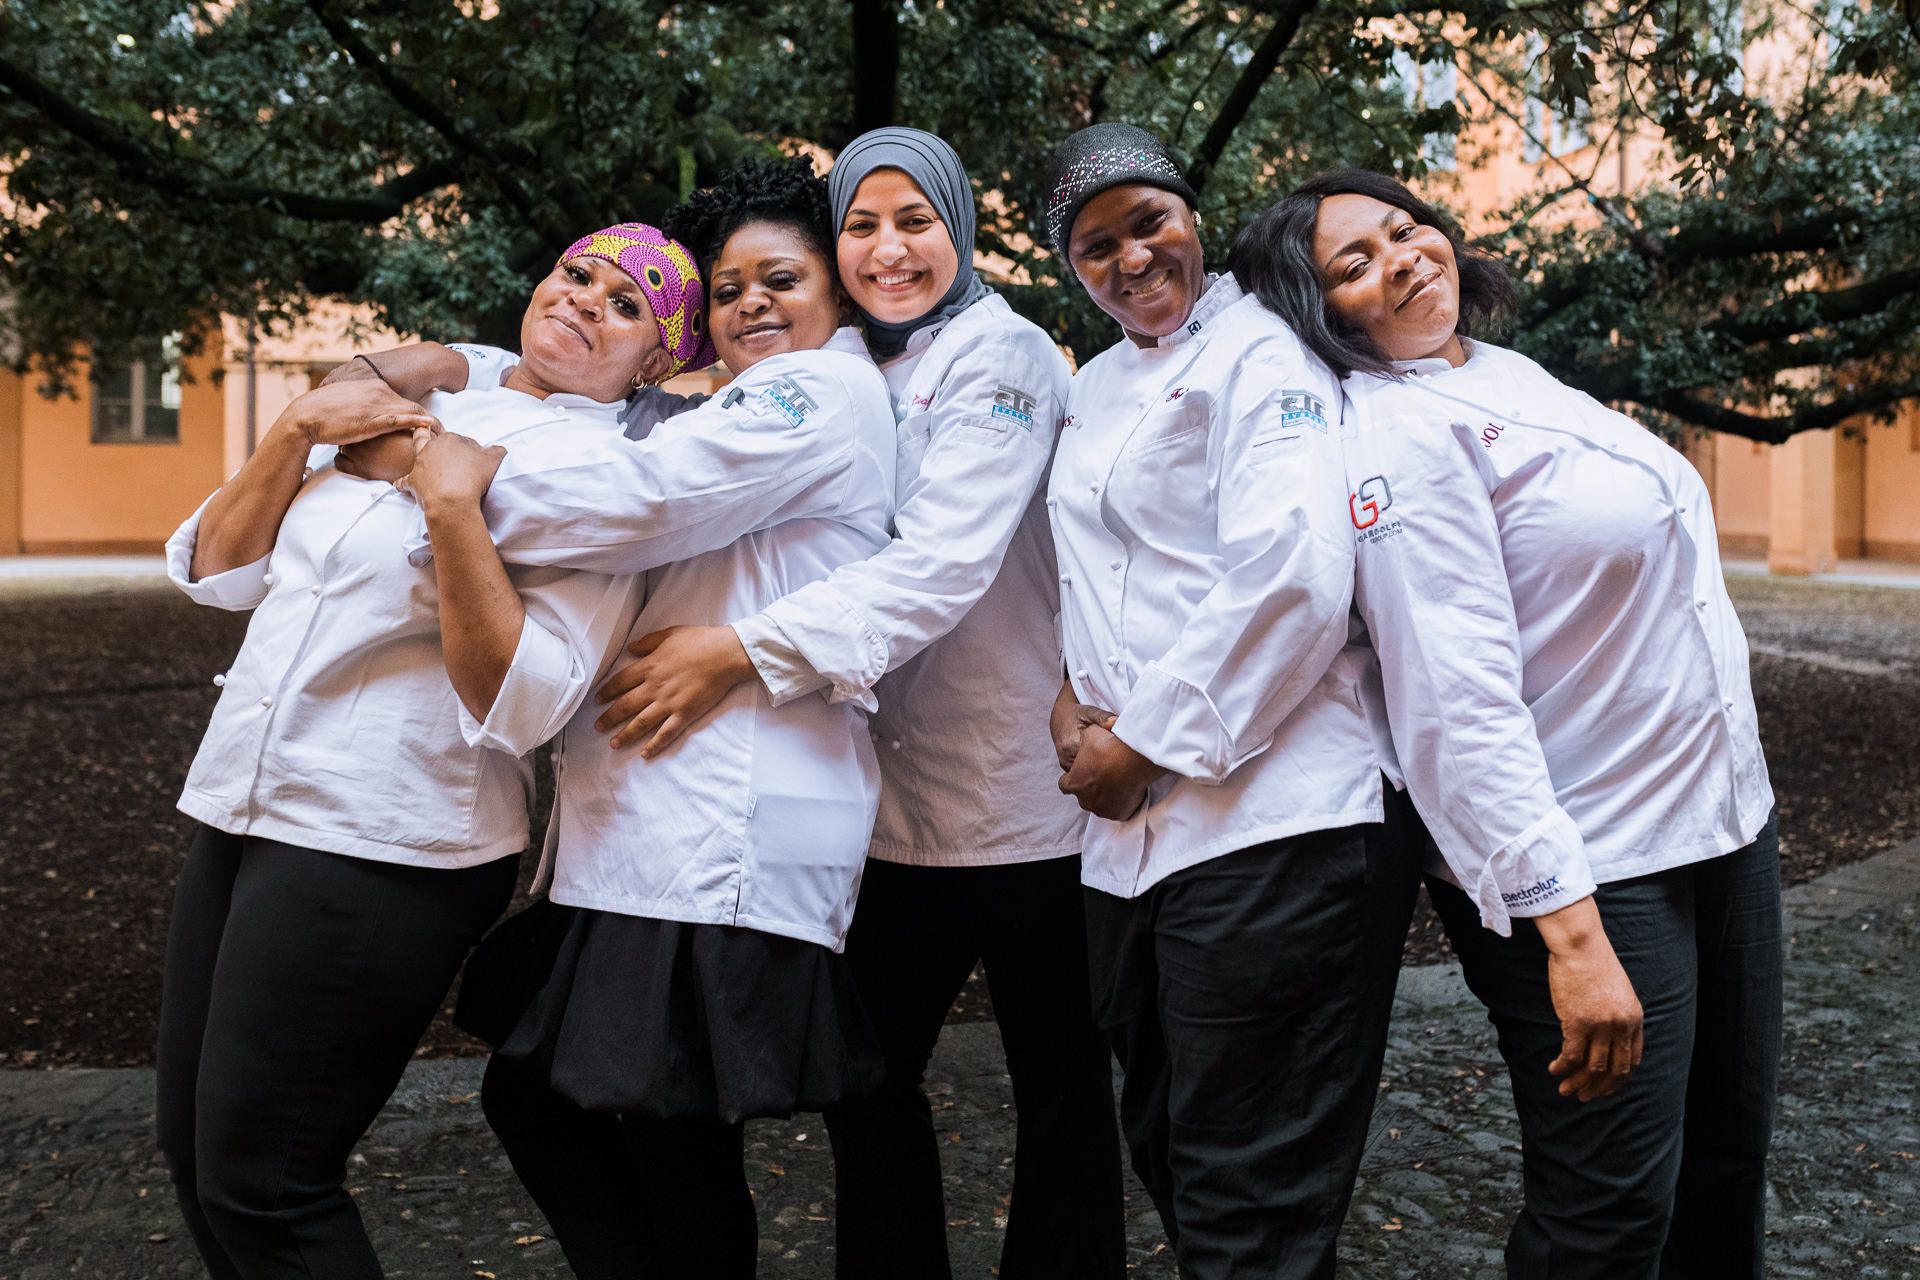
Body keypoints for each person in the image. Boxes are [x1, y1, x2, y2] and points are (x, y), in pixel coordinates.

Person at [580, 126, 1123, 1279]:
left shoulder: (1004, 351)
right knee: (863, 1084)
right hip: (886, 809)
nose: (888, 249)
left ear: (959, 226)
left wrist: (738, 652)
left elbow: (941, 566)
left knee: (1062, 1093)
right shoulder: (837, 368)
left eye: (914, 219)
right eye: (862, 226)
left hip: (1026, 792)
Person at [1233, 167, 1781, 1279]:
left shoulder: (1499, 372)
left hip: (1721, 823)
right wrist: (1569, 935)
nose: (1403, 256)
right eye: (1355, 261)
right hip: (1592, 865)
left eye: (1405, 226)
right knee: (1609, 1213)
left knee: (1722, 1173)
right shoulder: (1392, 437)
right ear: (1316, 310)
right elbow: (1452, 700)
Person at [152, 220, 715, 1280]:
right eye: (577, 273)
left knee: (268, 1180)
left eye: (628, 303)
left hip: (382, 836)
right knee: (194, 1154)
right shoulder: (421, 401)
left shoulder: (605, 476)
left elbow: (531, 701)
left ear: (660, 358)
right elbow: (220, 573)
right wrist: (295, 431)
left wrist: (449, 499)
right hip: (243, 803)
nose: (586, 298)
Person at [423, 157, 898, 1280]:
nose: (753, 306)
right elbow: (557, 384)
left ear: (836, 293)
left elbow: (638, 503)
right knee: (591, 1110)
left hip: (717, 819)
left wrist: (429, 473)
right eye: (730, 290)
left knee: (656, 1129)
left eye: (781, 279)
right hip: (656, 819)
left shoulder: (816, 391)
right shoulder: (728, 396)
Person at [1040, 123, 1422, 1280]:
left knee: (1249, 1190)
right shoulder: (1095, 382)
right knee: (1170, 1142)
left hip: (1278, 821)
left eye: (1149, 222)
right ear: (1072, 268)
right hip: (1130, 846)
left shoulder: (1264, 349)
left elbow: (1295, 571)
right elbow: (1099, 574)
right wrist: (1070, 705)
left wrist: (1145, 743)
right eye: (1096, 245)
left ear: (1193, 217)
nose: (1132, 257)